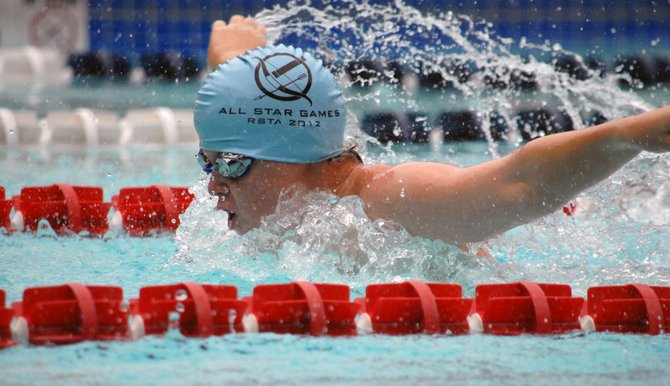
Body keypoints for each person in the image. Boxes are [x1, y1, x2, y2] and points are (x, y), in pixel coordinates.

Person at [195, 16, 669, 245]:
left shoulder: (386, 201)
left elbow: (516, 185)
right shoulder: (293, 185)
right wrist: (234, 65)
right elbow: (266, 118)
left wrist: (629, 135)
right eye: (208, 163)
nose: (212, 185)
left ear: (299, 159)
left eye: (232, 165)